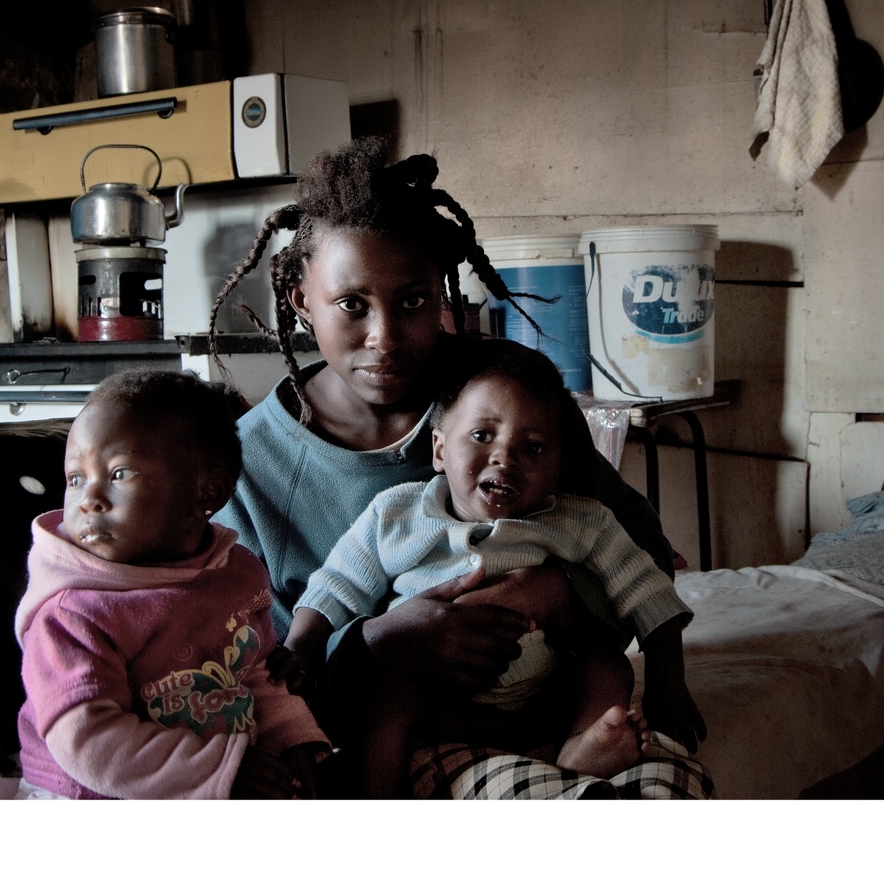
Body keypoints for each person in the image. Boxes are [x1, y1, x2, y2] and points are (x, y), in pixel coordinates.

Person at [210, 136, 707, 798]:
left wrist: (558, 598)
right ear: (302, 299)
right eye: (352, 305)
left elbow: (637, 554)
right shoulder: (243, 468)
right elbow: (248, 670)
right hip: (395, 724)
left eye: (412, 302)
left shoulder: (505, 400)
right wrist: (377, 644)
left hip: (550, 700)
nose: (384, 335)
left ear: (442, 293)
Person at [282, 339, 689, 797]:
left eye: (533, 447)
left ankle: (579, 751)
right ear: (438, 449)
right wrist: (299, 648)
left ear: (560, 469)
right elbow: (337, 585)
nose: (504, 457)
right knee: (384, 700)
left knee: (608, 666)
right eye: (482, 436)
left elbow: (646, 590)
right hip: (436, 706)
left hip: (541, 705)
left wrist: (668, 685)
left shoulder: (583, 522)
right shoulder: (394, 514)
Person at [15, 369, 330, 799]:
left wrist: (293, 739)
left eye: (119, 473)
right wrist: (223, 769)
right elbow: (87, 743)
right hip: (91, 795)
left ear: (207, 493)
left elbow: (254, 673)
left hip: (216, 779)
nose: (89, 499)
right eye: (76, 478)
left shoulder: (235, 575)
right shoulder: (71, 612)